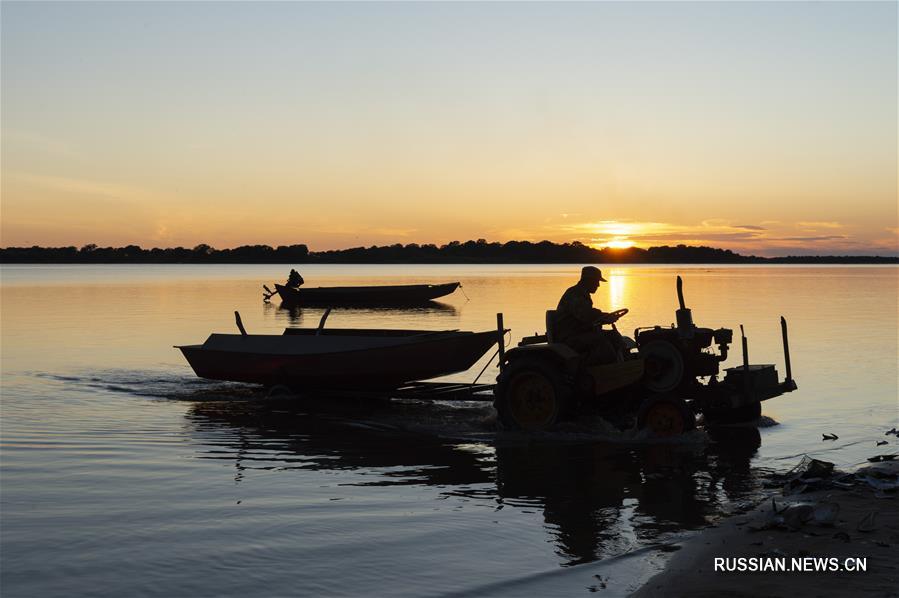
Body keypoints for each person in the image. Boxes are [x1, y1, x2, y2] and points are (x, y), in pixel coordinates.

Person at [554, 266, 626, 364]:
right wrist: (605, 317)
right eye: (597, 281)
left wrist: (605, 316)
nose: (598, 285)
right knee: (600, 342)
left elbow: (590, 314)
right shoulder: (575, 294)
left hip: (580, 333)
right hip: (569, 336)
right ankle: (602, 370)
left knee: (614, 336)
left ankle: (623, 364)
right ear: (589, 280)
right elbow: (586, 315)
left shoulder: (583, 294)